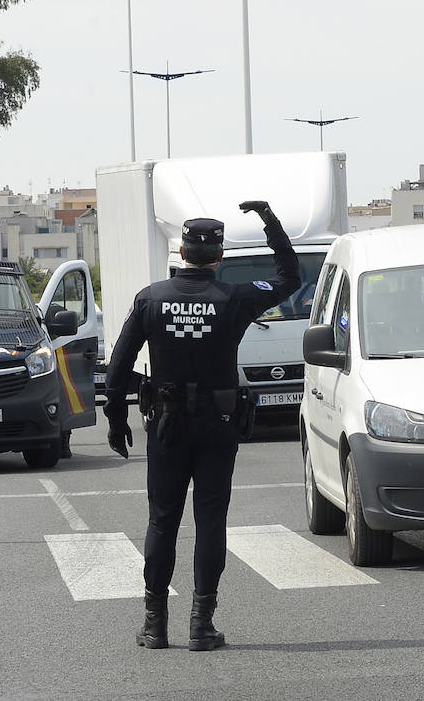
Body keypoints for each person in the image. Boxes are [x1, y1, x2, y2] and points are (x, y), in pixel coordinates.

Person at [103, 201, 300, 652]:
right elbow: (291, 278)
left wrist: (116, 418)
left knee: (162, 520)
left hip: (167, 424)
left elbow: (119, 364)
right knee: (210, 521)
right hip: (218, 423)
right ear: (219, 255)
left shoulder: (150, 298)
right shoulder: (236, 298)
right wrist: (270, 220)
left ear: (182, 253)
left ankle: (154, 626)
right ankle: (201, 625)